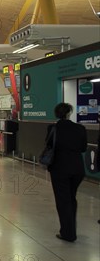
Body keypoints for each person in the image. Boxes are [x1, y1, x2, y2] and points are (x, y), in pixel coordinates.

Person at [45, 103, 87, 242]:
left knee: (63, 200)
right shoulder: (80, 128)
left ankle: (68, 233)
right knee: (71, 198)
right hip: (77, 168)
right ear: (69, 113)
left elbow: (49, 145)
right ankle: (71, 229)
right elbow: (83, 148)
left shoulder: (53, 128)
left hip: (59, 168)